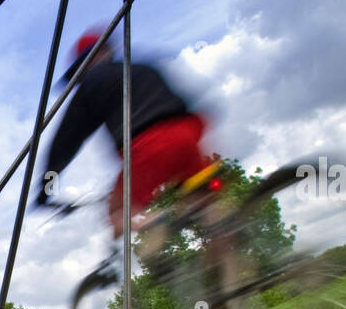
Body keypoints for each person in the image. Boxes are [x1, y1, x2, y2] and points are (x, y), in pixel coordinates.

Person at [36, 27, 216, 244]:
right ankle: (227, 244)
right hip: (188, 135)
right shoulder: (141, 67)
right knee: (208, 205)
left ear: (87, 62)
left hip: (147, 147)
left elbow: (62, 147)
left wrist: (46, 191)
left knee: (117, 215)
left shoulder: (92, 85)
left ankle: (159, 225)